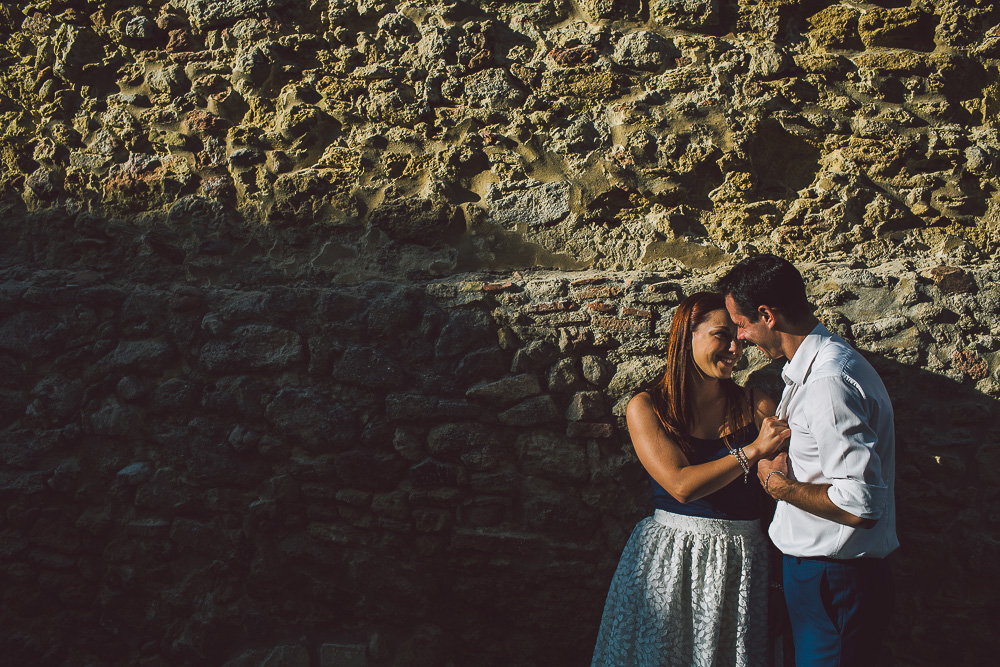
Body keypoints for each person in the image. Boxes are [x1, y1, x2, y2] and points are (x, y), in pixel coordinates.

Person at [592, 291, 791, 667]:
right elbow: (681, 485)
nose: (735, 348)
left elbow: (779, 494)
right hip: (671, 561)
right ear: (687, 337)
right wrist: (752, 451)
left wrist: (778, 582)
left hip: (744, 561)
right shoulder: (648, 407)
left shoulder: (755, 403)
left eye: (738, 336)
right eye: (721, 335)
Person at [718, 254, 898, 667]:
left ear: (767, 315)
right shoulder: (812, 372)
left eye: (742, 324)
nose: (740, 337)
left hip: (835, 580)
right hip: (817, 577)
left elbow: (862, 503)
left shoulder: (828, 383)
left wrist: (778, 486)